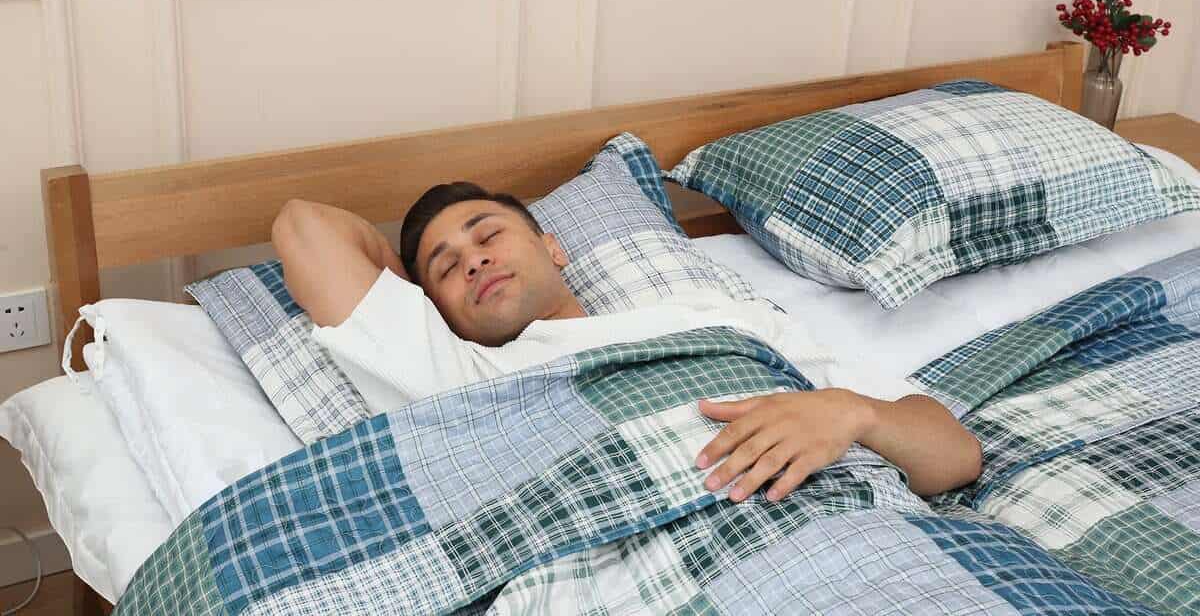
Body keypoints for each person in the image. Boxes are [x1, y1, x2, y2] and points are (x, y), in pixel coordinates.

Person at [271, 183, 982, 502]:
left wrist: (847, 412)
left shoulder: (716, 317)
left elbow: (955, 455)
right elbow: (303, 225)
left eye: (488, 235)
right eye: (447, 267)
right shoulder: (461, 371)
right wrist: (411, 300)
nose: (475, 260)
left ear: (553, 247)